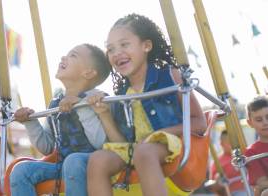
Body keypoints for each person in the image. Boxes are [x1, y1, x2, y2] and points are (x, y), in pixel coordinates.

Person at [87, 13, 207, 196]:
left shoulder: (170, 77)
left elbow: (199, 123)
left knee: (144, 151)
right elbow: (122, 143)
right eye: (110, 49)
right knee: (98, 160)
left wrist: (158, 134)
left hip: (171, 148)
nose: (116, 53)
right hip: (136, 149)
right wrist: (103, 114)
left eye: (124, 44)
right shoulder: (121, 96)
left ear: (146, 46)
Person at [10, 43, 124, 196]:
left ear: (88, 73)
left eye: (73, 55)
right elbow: (47, 147)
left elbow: (100, 143)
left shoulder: (98, 99)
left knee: (74, 161)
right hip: (63, 166)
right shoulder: (56, 103)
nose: (64, 57)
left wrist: (82, 108)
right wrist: (31, 123)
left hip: (94, 164)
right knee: (21, 170)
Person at [209, 130, 246, 196]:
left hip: (249, 188)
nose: (233, 144)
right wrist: (218, 181)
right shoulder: (217, 163)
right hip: (232, 192)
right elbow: (214, 186)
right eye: (229, 142)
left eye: (234, 142)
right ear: (221, 144)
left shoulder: (244, 155)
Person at [244, 96, 268, 196]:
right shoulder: (252, 152)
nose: (265, 123)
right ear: (250, 123)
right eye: (259, 120)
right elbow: (262, 183)